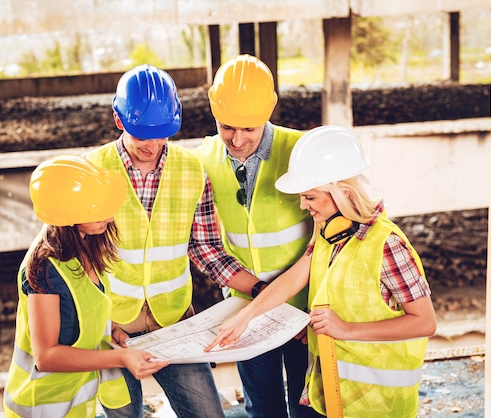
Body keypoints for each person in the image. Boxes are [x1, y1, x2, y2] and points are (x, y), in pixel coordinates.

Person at [206, 125, 438, 417]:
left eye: (311, 197)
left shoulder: (387, 245)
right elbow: (295, 277)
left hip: (377, 404)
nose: (303, 205)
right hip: (326, 388)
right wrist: (246, 317)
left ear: (342, 192)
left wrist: (345, 329)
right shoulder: (329, 232)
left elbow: (425, 322)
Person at [86, 64, 266, 418]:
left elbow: (207, 250)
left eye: (162, 135)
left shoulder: (191, 169)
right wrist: (105, 326)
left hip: (175, 321)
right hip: (110, 327)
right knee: (123, 415)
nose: (152, 146)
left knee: (206, 414)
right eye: (142, 135)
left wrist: (260, 290)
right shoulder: (95, 171)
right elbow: (80, 262)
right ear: (119, 120)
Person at [195, 54, 318, 418]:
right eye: (227, 126)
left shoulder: (300, 151)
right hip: (245, 307)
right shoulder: (203, 158)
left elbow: (328, 237)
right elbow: (205, 244)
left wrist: (306, 305)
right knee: (262, 407)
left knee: (310, 404)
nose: (237, 139)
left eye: (249, 128)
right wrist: (257, 297)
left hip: (305, 308)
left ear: (269, 111)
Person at [3, 155, 169, 418]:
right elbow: (47, 356)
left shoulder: (84, 245)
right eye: (97, 209)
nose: (110, 216)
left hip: (75, 401)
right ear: (69, 215)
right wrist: (121, 358)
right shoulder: (45, 266)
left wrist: (111, 329)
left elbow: (84, 309)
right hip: (43, 406)